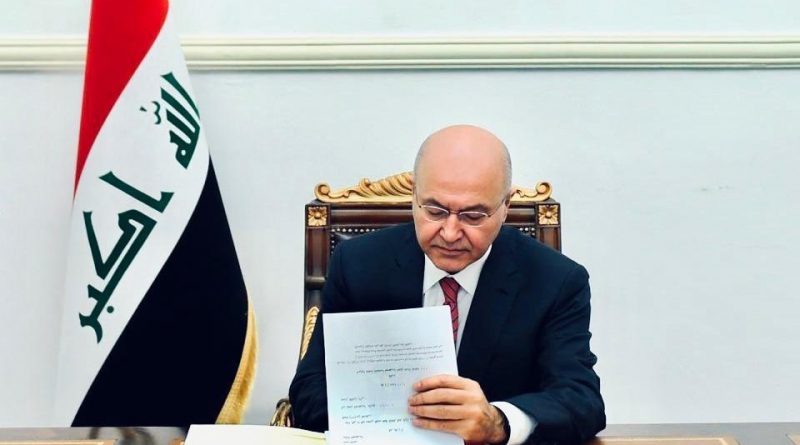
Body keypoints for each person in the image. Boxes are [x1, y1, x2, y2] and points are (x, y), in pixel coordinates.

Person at [289, 125, 605, 444]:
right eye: (435, 211)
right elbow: (308, 392)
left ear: (505, 206)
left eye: (473, 216)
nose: (450, 233)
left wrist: (497, 422)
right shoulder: (358, 265)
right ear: (414, 197)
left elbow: (581, 400)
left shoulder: (555, 280)